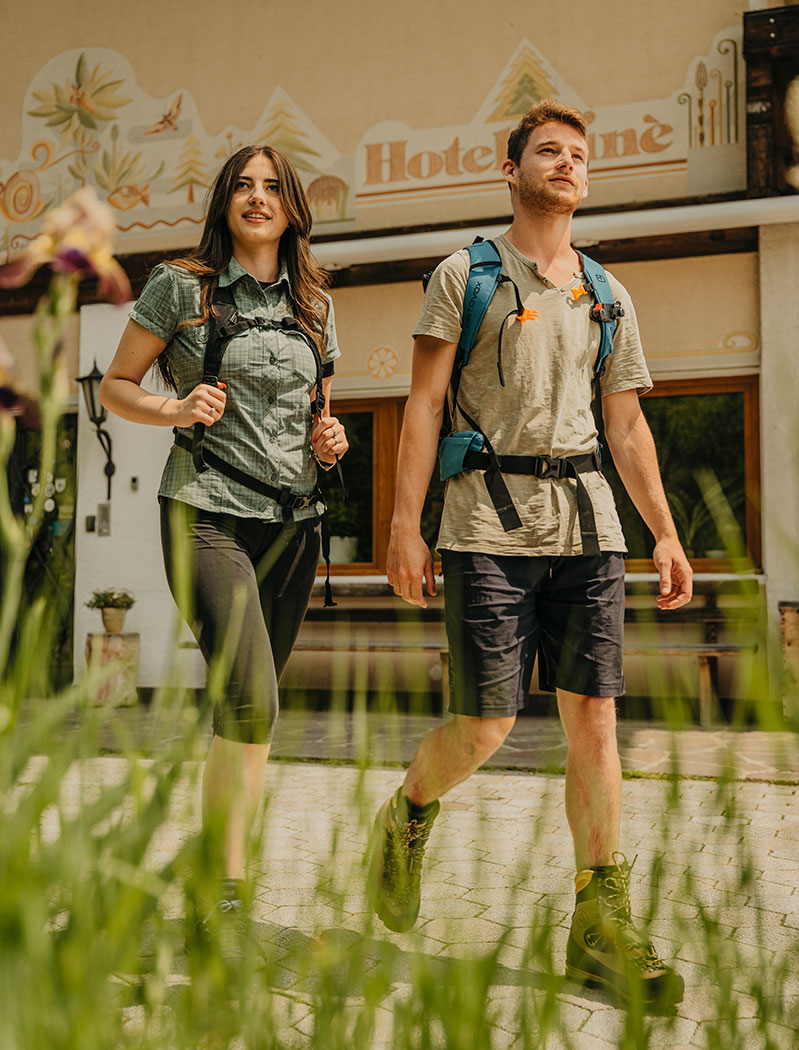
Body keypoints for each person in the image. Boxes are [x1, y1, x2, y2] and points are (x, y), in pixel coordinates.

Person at [369, 100, 692, 1007]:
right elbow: (424, 404)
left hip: (589, 528)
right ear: (508, 171)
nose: (565, 164)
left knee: (594, 720)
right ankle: (406, 815)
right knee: (488, 723)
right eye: (546, 151)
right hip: (485, 525)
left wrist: (663, 530)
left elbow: (625, 424)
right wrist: (403, 523)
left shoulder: (606, 292)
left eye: (577, 155)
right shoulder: (461, 274)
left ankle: (599, 923)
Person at [100, 144, 348, 947]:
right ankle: (228, 899)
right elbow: (115, 387)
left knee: (245, 717)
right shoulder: (184, 287)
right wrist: (176, 410)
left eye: (272, 186)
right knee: (251, 699)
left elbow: (318, 409)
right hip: (205, 511)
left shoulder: (313, 300)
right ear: (223, 202)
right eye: (242, 185)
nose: (257, 196)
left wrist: (330, 436)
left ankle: (215, 874)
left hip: (294, 523)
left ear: (292, 207)